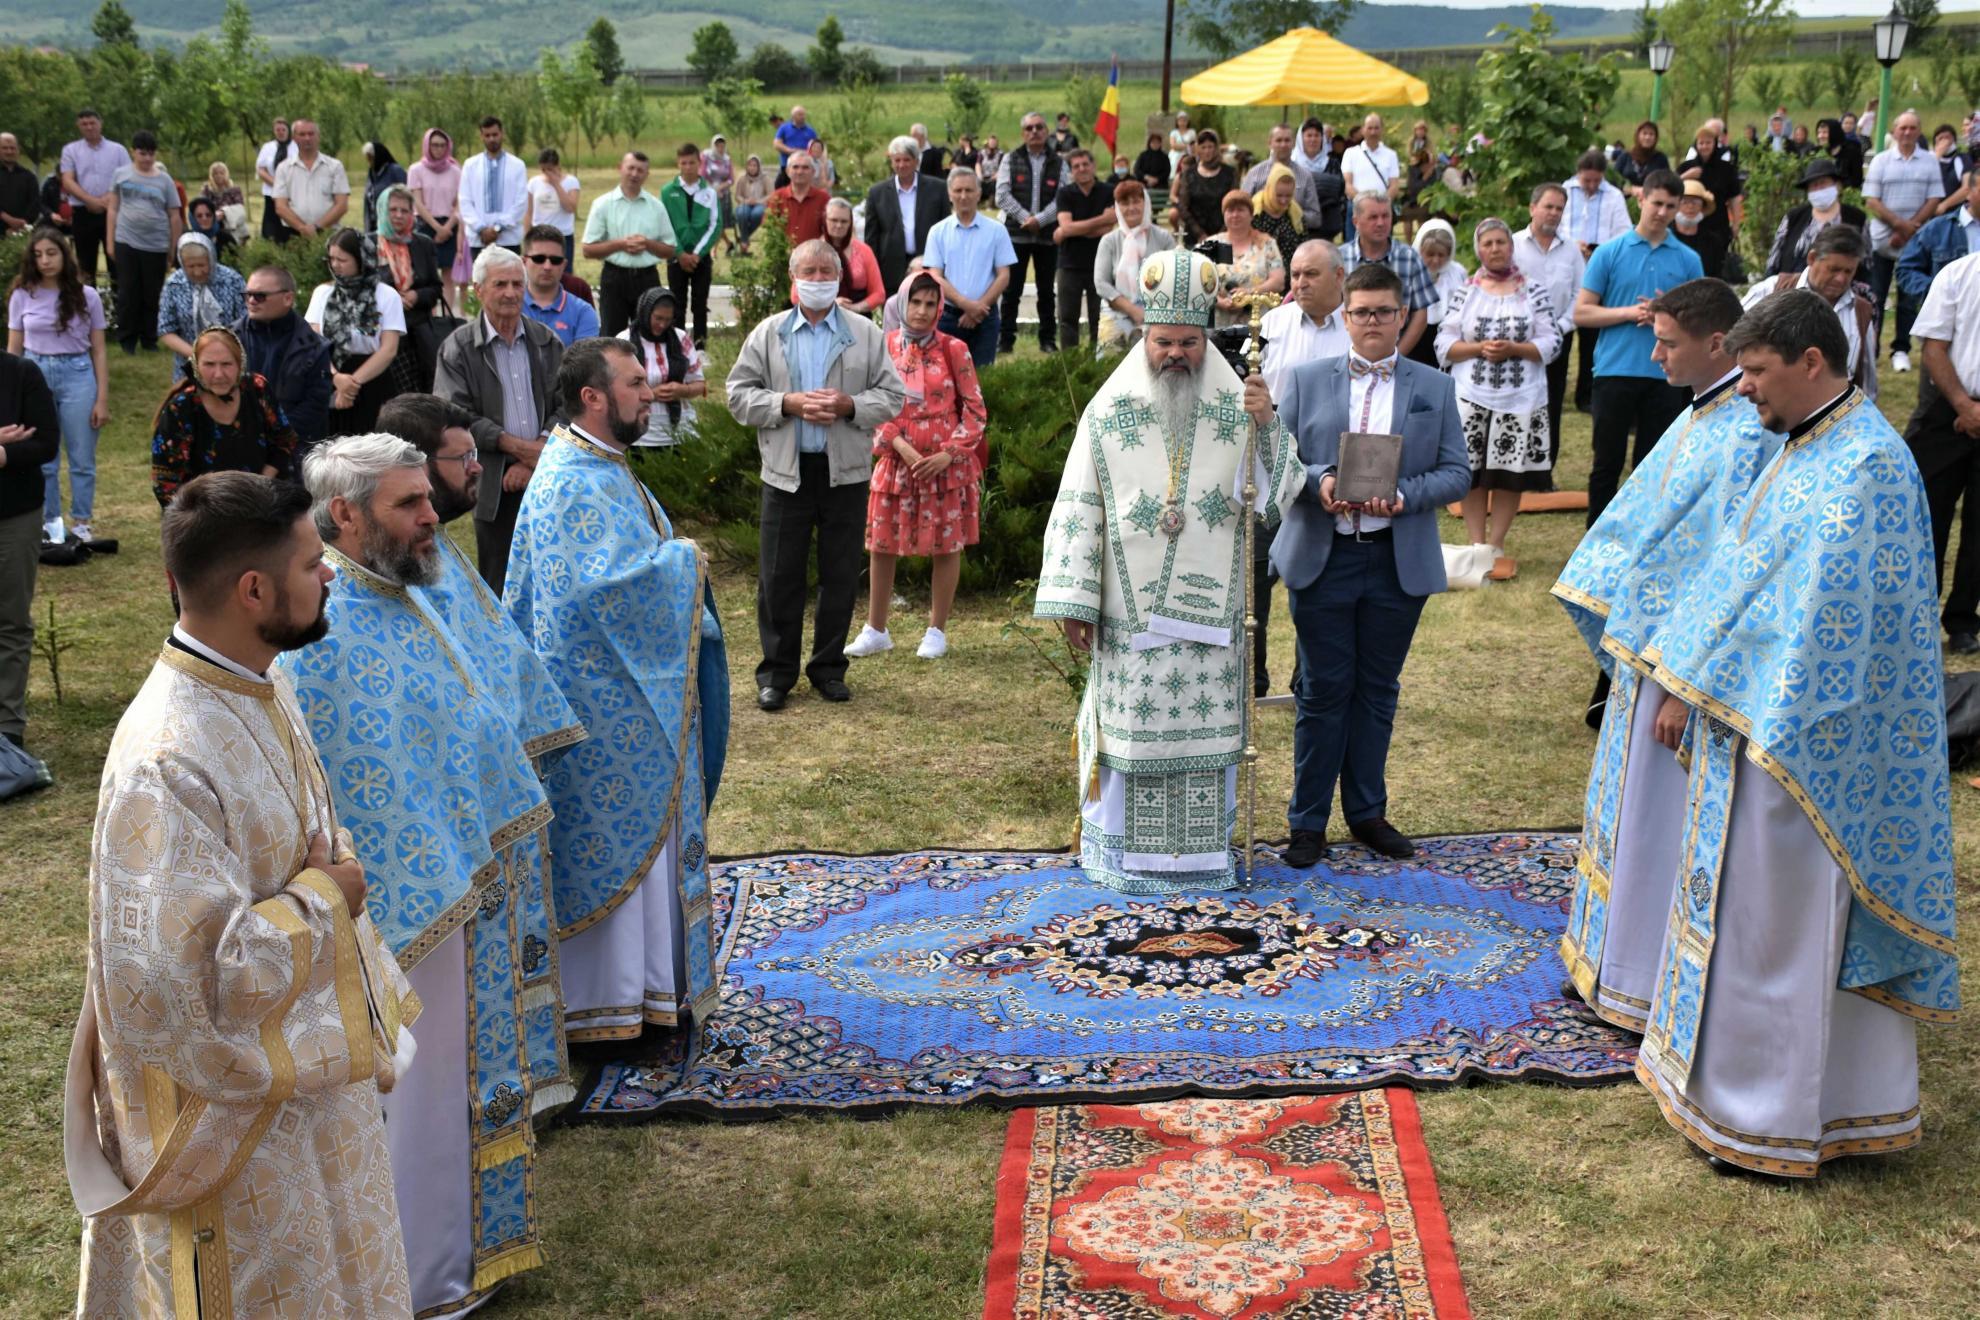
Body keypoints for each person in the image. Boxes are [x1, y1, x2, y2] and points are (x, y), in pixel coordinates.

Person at [67, 472, 416, 1316]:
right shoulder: (166, 759)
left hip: (306, 1091)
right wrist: (327, 898)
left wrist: (323, 879)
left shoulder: (261, 680)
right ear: (253, 588)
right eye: (309, 562)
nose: (330, 572)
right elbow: (187, 983)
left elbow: (305, 841)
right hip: (231, 1134)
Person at [1631, 289, 1959, 1177]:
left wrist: (1705, 693)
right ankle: (1735, 1094)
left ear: (1812, 362)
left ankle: (1777, 1114)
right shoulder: (1807, 446)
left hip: (1809, 747)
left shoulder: (1865, 468)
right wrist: (1684, 679)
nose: (1743, 390)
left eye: (1760, 372)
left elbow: (1819, 630)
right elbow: (1738, 572)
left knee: (1783, 923)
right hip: (1755, 720)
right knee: (1748, 917)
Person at [280, 433, 579, 1317]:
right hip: (402, 915)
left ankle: (458, 1261)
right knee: (414, 1095)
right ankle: (405, 1282)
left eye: (427, 498)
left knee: (451, 1086)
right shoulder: (315, 635)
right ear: (345, 515)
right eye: (410, 504)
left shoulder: (415, 592)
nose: (431, 516)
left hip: (467, 883)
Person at [1035, 247, 1303, 888]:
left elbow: (1283, 487)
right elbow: (1080, 504)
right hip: (1129, 622)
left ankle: (1204, 858)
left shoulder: (1239, 403)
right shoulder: (1108, 412)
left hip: (1211, 620)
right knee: (1131, 737)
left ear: (1207, 339)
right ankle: (1124, 859)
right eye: (1163, 342)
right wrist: (1075, 601)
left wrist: (1267, 425)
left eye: (1189, 341)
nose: (1176, 354)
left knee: (1203, 738)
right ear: (1144, 337)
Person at [1554, 277, 1777, 1029]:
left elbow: (1731, 568)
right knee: (1627, 812)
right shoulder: (1703, 414)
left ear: (1718, 343)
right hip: (1645, 648)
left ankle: (1639, 978)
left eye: (1668, 342)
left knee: (1656, 823)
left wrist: (1689, 681)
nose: (1653, 354)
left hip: (1680, 664)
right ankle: (1605, 959)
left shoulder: (1748, 432)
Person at [505, 337, 730, 1044]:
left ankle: (651, 993)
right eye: (636, 383)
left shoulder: (600, 464)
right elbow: (596, 590)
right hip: (601, 705)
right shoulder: (573, 476)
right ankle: (614, 1006)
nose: (650, 393)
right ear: (593, 398)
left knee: (647, 845)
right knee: (619, 847)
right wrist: (682, 562)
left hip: (626, 696)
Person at [1274, 262, 1470, 866]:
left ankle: (1366, 813)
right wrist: (1319, 481)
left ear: (1402, 315)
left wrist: (1406, 494)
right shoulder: (1305, 379)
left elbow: (1458, 471)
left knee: (1377, 691)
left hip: (1394, 561)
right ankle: (1307, 823)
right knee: (1323, 690)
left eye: (1384, 311)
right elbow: (1276, 456)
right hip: (1323, 556)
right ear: (1346, 316)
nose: (1372, 322)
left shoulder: (1432, 388)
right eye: (1361, 312)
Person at [726, 238, 906, 710]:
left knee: (840, 574)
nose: (820, 280)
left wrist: (850, 406)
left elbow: (892, 396)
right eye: (810, 272)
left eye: (828, 272)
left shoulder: (865, 333)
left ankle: (828, 668)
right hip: (785, 473)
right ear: (793, 279)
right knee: (778, 576)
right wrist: (786, 404)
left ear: (841, 279)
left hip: (844, 472)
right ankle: (776, 674)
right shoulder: (767, 334)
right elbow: (738, 396)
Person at [845, 272, 987, 662]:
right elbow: (869, 402)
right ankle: (876, 629)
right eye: (915, 302)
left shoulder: (954, 348)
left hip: (945, 468)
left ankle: (936, 630)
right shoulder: (884, 344)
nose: (922, 311)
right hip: (895, 461)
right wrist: (901, 447)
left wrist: (950, 453)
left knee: (946, 546)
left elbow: (975, 410)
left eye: (930, 303)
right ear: (902, 302)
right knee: (881, 543)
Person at [1574, 170, 1703, 526]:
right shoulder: (1610, 253)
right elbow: (1582, 312)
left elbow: (1702, 321)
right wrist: (1629, 312)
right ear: (1641, 199)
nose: (1661, 212)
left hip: (1666, 375)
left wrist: (1670, 314)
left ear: (1678, 209)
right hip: (1615, 370)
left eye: (1670, 206)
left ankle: (1642, 532)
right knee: (1606, 461)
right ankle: (1596, 534)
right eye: (1656, 203)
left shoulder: (1688, 259)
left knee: (1652, 463)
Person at [433, 247, 563, 591]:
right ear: (478, 290)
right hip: (492, 480)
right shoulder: (458, 348)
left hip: (545, 475)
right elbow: (454, 415)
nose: (510, 293)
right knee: (500, 578)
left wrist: (537, 455)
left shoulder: (546, 342)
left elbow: (567, 406)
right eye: (500, 284)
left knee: (551, 573)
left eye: (517, 284)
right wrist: (517, 451)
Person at [1436, 217, 1561, 565]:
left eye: (1500, 242)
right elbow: (1443, 341)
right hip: (1471, 393)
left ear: (1511, 246)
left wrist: (1516, 350)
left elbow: (1553, 339)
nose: (1495, 249)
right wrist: (1478, 349)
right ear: (1478, 249)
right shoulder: (1466, 290)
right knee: (1472, 473)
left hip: (1521, 396)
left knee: (1509, 473)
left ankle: (1497, 544)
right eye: (1487, 243)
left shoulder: (1533, 289)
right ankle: (1476, 544)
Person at [1254, 238, 1349, 695]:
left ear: (1339, 276)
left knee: (1317, 578)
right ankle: (1250, 678)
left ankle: (1306, 679)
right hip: (1269, 467)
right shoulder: (1271, 324)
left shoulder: (1355, 331)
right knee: (1255, 573)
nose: (1300, 282)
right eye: (1294, 274)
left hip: (1329, 471)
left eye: (1311, 274)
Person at [7, 227, 108, 544]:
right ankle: (50, 522)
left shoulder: (87, 295)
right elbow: (14, 349)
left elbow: (99, 349)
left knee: (81, 455)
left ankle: (81, 522)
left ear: (64, 255)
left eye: (51, 253)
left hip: (77, 372)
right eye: (38, 255)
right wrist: (9, 398)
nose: (45, 261)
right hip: (34, 374)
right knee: (41, 455)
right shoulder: (22, 294)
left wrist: (101, 397)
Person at [1907, 249, 1980, 653]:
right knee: (1927, 517)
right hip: (1949, 409)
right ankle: (1918, 617)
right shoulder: (1957, 273)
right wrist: (1964, 406)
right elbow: (1933, 348)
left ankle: (1964, 622)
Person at [151, 326, 300, 505]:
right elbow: (166, 482)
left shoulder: (257, 389)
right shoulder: (181, 408)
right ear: (196, 366)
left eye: (227, 364)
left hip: (262, 500)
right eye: (209, 364)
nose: (219, 374)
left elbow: (284, 441)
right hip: (201, 513)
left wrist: (258, 487)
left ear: (240, 364)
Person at [0, 346, 57, 748]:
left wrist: (4, 453)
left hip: (16, 514)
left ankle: (7, 727)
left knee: (10, 620)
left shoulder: (22, 373)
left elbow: (46, 444)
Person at [304, 227, 410, 439]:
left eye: (342, 260)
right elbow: (313, 342)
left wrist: (351, 384)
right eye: (331, 259)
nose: (335, 265)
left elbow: (388, 350)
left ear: (361, 259)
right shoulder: (323, 293)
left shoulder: (386, 296)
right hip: (330, 375)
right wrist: (337, 379)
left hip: (372, 379)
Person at [1863, 109, 1946, 374]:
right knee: (1876, 296)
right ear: (1895, 131)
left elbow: (1934, 199)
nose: (1907, 132)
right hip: (1882, 240)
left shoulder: (1929, 161)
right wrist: (1898, 225)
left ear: (1919, 131)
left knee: (1908, 299)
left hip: (1916, 242)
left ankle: (1901, 348)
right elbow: (1872, 200)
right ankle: (1871, 349)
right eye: (1903, 128)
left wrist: (1909, 229)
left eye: (1912, 128)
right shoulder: (1881, 160)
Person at [1745, 224, 1874, 391]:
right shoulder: (1770, 291)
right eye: (1833, 269)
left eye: (1848, 272)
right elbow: (1730, 345)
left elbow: (1868, 377)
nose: (1841, 279)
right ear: (1812, 258)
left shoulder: (1861, 312)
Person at [1514, 183, 1585, 473]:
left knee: (1551, 403)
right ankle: (1514, 472)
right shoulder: (1512, 244)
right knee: (1517, 402)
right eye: (1548, 206)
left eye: (1559, 208)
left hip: (1558, 338)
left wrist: (1564, 325)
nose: (1554, 213)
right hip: (1518, 340)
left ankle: (1544, 472)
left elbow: (1581, 292)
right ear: (1533, 208)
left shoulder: (1571, 251)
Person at [921, 168, 1017, 367]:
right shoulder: (938, 232)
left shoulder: (996, 230)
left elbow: (1003, 276)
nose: (963, 196)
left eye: (969, 190)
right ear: (949, 194)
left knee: (984, 379)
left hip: (986, 317)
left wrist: (978, 308)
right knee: (946, 377)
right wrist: (966, 304)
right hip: (948, 317)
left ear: (979, 193)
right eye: (958, 191)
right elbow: (935, 276)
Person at [1562, 149, 1633, 409]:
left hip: (1598, 271)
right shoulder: (1566, 191)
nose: (1591, 186)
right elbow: (1557, 226)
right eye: (1586, 180)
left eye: (1596, 181)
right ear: (1578, 174)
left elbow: (1623, 232)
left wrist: (1600, 249)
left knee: (1591, 340)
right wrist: (1573, 244)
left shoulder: (1613, 196)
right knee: (1563, 333)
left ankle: (1586, 395)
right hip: (1568, 270)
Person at [583, 151, 677, 337]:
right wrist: (621, 244)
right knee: (611, 334)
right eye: (631, 168)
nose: (634, 174)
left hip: (647, 277)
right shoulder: (603, 204)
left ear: (647, 175)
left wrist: (647, 244)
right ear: (620, 168)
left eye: (640, 170)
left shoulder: (656, 206)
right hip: (614, 276)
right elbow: (588, 249)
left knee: (649, 334)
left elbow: (669, 249)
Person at [105, 130, 180, 356]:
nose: (146, 158)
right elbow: (112, 208)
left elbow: (174, 215)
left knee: (152, 294)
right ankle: (127, 339)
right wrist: (110, 241)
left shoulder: (164, 180)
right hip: (126, 240)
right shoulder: (120, 175)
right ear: (133, 152)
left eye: (150, 154)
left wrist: (172, 249)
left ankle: (149, 338)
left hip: (156, 245)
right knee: (128, 292)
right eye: (142, 153)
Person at [996, 112, 1065, 354]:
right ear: (1023, 133)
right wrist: (1026, 218)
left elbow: (1062, 197)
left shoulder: (1059, 161)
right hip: (1016, 236)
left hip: (1047, 238)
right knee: (1011, 291)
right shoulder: (1009, 159)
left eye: (1039, 127)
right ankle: (1005, 341)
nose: (1034, 132)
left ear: (1046, 131)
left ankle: (1047, 340)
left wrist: (1041, 220)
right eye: (1029, 128)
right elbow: (1001, 195)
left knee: (1047, 291)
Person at [1339, 192, 1434, 358]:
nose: (1381, 223)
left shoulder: (1410, 258)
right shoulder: (1339, 259)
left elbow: (1420, 314)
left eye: (1386, 216)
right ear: (1356, 222)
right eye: (1373, 217)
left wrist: (1397, 356)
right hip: (1347, 356)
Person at [373, 183, 446, 386]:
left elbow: (435, 289)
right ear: (382, 210)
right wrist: (393, 299)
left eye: (404, 210)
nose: (398, 215)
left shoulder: (423, 244)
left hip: (418, 331)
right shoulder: (369, 245)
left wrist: (417, 296)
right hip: (383, 332)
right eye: (393, 209)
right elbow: (364, 289)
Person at [1093, 179, 1177, 352]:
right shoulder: (1109, 241)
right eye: (1125, 203)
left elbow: (1174, 278)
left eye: (1136, 201)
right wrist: (1133, 311)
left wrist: (1151, 313)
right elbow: (1101, 283)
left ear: (1145, 203)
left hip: (1158, 315)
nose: (1131, 208)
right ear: (1117, 207)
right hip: (1116, 313)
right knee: (1110, 367)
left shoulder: (1163, 238)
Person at [619, 286, 706, 449]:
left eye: (668, 320)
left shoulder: (681, 339)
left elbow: (700, 385)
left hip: (681, 432)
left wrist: (683, 391)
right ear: (645, 312)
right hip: (638, 436)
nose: (662, 324)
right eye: (658, 318)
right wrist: (651, 395)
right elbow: (615, 392)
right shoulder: (624, 342)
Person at [865, 136, 952, 297]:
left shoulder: (937, 188)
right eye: (897, 160)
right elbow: (872, 236)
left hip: (929, 263)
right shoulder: (877, 193)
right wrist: (873, 270)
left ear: (916, 161)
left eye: (907, 160)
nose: (902, 165)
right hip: (891, 267)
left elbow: (946, 228)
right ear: (891, 161)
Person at [156, 230, 246, 376]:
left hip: (230, 360)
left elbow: (246, 322)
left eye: (202, 265)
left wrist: (224, 354)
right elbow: (166, 330)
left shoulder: (233, 280)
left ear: (211, 259)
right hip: (188, 362)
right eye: (190, 267)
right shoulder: (174, 284)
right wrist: (196, 355)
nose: (197, 272)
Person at [1052, 148, 1116, 351]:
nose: (1082, 169)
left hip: (1101, 263)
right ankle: (1070, 360)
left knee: (1099, 316)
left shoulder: (1108, 191)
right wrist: (1099, 221)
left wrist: (1071, 229)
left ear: (1093, 165)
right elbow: (1068, 226)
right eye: (1076, 166)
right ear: (1071, 171)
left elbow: (1108, 226)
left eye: (1085, 164)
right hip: (1069, 264)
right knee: (1067, 318)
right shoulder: (1065, 193)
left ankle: (1096, 357)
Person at [58, 108, 129, 282]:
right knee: (85, 264)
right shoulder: (70, 150)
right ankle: (87, 304)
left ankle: (118, 303)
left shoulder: (118, 150)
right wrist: (90, 200)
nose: (89, 127)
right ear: (79, 126)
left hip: (112, 212)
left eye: (92, 123)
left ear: (100, 123)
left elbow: (127, 177)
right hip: (83, 212)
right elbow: (68, 180)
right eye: (84, 124)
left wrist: (107, 199)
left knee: (116, 261)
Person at [1767, 156, 1868, 277]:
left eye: (1823, 184)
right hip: (1794, 287)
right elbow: (1774, 259)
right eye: (1814, 185)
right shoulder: (1793, 217)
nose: (1819, 189)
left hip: (1841, 287)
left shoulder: (1857, 218)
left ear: (1837, 186)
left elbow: (1867, 264)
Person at [663, 142, 719, 346]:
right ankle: (677, 345)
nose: (688, 167)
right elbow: (665, 224)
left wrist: (697, 253)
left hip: (701, 258)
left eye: (692, 162)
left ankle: (700, 345)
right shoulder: (668, 192)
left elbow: (715, 224)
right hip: (676, 257)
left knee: (700, 303)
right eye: (683, 163)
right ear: (678, 164)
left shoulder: (709, 192)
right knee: (676, 303)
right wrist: (679, 253)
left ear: (699, 162)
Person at [1896, 168, 1980, 301]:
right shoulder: (1937, 229)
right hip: (1950, 316)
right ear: (1968, 192)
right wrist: (1936, 292)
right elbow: (1906, 270)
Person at [408, 127, 466, 311]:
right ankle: (430, 316)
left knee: (449, 274)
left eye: (442, 145)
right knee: (426, 273)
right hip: (425, 224)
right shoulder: (416, 170)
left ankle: (447, 315)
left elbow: (460, 202)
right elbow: (417, 201)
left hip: (450, 224)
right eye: (434, 145)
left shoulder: (456, 171)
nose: (438, 149)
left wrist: (447, 227)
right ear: (427, 146)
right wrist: (436, 227)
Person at [1209, 188, 1284, 328]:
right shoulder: (1211, 245)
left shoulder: (1267, 244)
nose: (1235, 215)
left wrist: (1249, 294)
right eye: (1230, 210)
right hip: (1219, 322)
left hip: (1257, 321)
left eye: (1240, 210)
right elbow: (1198, 282)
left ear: (1251, 214)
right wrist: (1217, 301)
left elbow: (1278, 281)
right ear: (1224, 215)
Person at [518, 222, 599, 347]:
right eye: (539, 259)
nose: (547, 266)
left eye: (555, 260)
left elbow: (584, 363)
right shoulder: (510, 306)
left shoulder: (583, 312)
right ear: (524, 262)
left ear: (564, 265)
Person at [459, 116, 528, 263]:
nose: (492, 139)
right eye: (487, 135)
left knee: (510, 281)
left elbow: (521, 202)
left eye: (495, 135)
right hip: (479, 239)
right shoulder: (471, 165)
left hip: (509, 238)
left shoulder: (517, 165)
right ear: (481, 136)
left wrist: (498, 228)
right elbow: (465, 201)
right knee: (483, 282)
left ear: (502, 134)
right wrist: (481, 229)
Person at [1676, 126, 1742, 279]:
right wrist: (1687, 175)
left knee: (1713, 263)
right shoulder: (1687, 166)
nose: (1704, 146)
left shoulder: (1727, 169)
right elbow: (1671, 188)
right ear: (1696, 145)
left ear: (1715, 144)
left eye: (1708, 143)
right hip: (1689, 223)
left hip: (1717, 223)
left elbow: (1734, 198)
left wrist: (1736, 224)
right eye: (1701, 143)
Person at [270, 118, 350, 241]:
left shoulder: (334, 166)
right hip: (293, 234)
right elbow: (280, 206)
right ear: (294, 138)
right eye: (302, 134)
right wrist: (303, 228)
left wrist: (317, 227)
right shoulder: (283, 168)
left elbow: (342, 205)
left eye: (311, 134)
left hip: (328, 233)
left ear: (318, 136)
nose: (307, 138)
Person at [806, 196, 885, 314]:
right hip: (819, 318)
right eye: (834, 220)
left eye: (844, 221)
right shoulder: (810, 252)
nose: (838, 225)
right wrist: (829, 305)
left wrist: (855, 308)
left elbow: (879, 294)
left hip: (858, 318)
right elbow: (796, 295)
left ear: (850, 223)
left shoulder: (864, 251)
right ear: (825, 220)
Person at [1410, 219, 1465, 368]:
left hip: (1448, 336)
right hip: (1416, 338)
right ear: (1420, 250)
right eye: (1430, 254)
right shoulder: (1410, 272)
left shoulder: (1457, 273)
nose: (1436, 260)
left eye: (1441, 255)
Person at [1169, 129, 1235, 246]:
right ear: (1198, 149)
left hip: (1223, 236)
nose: (1207, 151)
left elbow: (1233, 204)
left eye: (1210, 147)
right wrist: (1200, 234)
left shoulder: (1229, 173)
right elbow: (1183, 207)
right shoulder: (1189, 174)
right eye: (1203, 147)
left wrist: (1220, 235)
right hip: (1195, 236)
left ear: (1216, 148)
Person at [1340, 113, 1402, 229]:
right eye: (1370, 128)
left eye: (1376, 128)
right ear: (1363, 130)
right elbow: (1347, 184)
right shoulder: (1350, 153)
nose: (1373, 132)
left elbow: (1394, 186)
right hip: (1356, 209)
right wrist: (1365, 204)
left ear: (1382, 130)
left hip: (1382, 212)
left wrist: (1380, 205)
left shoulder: (1391, 155)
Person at [527, 145, 580, 265]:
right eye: (543, 170)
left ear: (557, 166)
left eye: (550, 169)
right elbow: (528, 212)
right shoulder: (533, 183)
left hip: (563, 235)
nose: (547, 173)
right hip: (539, 235)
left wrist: (556, 184)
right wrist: (527, 236)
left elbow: (570, 207)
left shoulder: (571, 182)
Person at [1250, 163, 1306, 269]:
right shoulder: (1255, 211)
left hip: (1291, 274)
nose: (1284, 200)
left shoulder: (1296, 213)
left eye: (1288, 196)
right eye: (1279, 195)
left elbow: (1304, 244)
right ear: (1270, 189)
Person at [769, 150, 830, 245]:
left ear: (813, 172)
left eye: (805, 167)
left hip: (814, 256)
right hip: (782, 256)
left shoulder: (824, 199)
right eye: (795, 167)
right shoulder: (777, 197)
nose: (800, 171)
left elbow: (829, 231)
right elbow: (769, 228)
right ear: (787, 171)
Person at [254, 116, 294, 242]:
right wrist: (275, 183)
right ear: (274, 131)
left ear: (288, 131)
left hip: (291, 193)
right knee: (271, 227)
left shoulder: (296, 146)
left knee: (288, 226)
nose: (281, 132)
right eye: (278, 130)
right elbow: (261, 169)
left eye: (283, 129)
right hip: (271, 192)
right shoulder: (268, 147)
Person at [360, 140, 406, 235]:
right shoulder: (371, 173)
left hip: (392, 226)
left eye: (371, 158)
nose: (369, 161)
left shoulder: (395, 170)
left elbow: (406, 194)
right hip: (373, 225)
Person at [0, 133, 39, 236]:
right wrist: (9, 220)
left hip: (22, 231)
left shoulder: (29, 176)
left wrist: (23, 223)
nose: (9, 151)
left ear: (18, 150)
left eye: (12, 148)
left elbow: (35, 202)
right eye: (4, 148)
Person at [733, 154, 772, 256]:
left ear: (759, 167)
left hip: (761, 204)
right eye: (750, 165)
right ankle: (745, 241)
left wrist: (758, 201)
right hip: (745, 203)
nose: (752, 168)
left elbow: (771, 195)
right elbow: (737, 195)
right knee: (742, 213)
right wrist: (746, 200)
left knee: (757, 214)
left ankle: (743, 240)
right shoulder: (742, 178)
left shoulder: (765, 178)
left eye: (755, 165)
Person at [702, 134, 736, 253]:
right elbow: (702, 175)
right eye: (718, 146)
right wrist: (713, 189)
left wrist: (720, 188)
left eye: (722, 146)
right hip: (708, 191)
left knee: (718, 221)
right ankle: (727, 243)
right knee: (711, 221)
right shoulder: (706, 156)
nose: (720, 148)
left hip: (723, 193)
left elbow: (731, 179)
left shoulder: (727, 159)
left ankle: (715, 249)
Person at [184, 195, 235, 264]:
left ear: (214, 216)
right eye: (199, 216)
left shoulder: (226, 239)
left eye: (208, 215)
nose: (204, 219)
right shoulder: (186, 240)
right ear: (193, 218)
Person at [775, 104, 819, 175]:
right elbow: (777, 144)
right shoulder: (784, 128)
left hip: (805, 166)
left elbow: (817, 146)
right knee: (779, 185)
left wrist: (805, 153)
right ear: (793, 116)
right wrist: (791, 151)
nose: (803, 117)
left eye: (804, 115)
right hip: (787, 165)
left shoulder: (810, 130)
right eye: (800, 115)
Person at [1133, 132, 1171, 212]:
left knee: (1158, 193)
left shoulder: (1164, 157)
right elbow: (1137, 170)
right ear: (1149, 143)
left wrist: (1157, 179)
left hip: (1160, 183)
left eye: (1157, 142)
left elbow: (1167, 171)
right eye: (1153, 142)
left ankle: (1154, 216)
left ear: (1160, 144)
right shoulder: (1143, 155)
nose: (1155, 144)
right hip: (1144, 182)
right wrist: (1146, 177)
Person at [1931, 123, 1968, 203]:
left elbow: (1967, 187)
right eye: (1940, 138)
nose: (1944, 141)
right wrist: (1938, 155)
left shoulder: (1962, 158)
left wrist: (1944, 205)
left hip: (1954, 210)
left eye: (1947, 138)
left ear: (1954, 141)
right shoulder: (1928, 158)